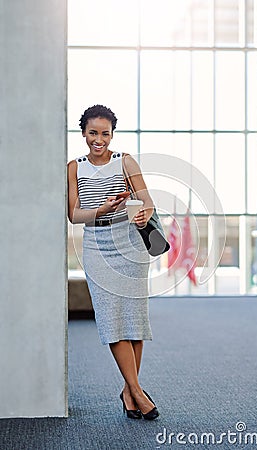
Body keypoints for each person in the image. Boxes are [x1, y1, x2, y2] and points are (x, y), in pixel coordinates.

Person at [67, 104, 159, 420]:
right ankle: (136, 391)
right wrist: (101, 210)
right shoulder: (74, 167)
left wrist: (142, 211)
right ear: (83, 133)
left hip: (131, 243)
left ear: (111, 134)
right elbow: (74, 214)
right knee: (110, 319)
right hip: (96, 244)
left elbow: (146, 200)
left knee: (133, 319)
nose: (99, 139)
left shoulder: (125, 162)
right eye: (93, 133)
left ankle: (129, 391)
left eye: (105, 133)